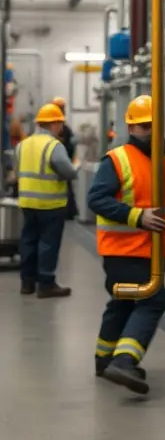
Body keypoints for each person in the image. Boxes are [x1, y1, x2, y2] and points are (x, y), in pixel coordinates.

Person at [87, 94, 165, 395]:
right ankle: (125, 361)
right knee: (153, 300)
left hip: (148, 250)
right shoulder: (117, 160)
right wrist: (138, 217)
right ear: (130, 127)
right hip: (124, 250)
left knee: (122, 302)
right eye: (143, 126)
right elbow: (96, 199)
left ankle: (103, 359)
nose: (149, 131)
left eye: (154, 125)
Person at [16, 103, 78, 298]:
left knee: (28, 241)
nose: (61, 128)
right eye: (60, 123)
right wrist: (75, 168)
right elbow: (68, 171)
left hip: (27, 202)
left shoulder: (23, 145)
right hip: (51, 204)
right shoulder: (54, 146)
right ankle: (46, 284)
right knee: (48, 243)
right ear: (54, 124)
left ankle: (27, 282)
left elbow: (19, 171)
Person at [52, 97, 78, 219]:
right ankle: (69, 211)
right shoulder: (64, 129)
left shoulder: (64, 130)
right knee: (65, 185)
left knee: (65, 185)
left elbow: (70, 145)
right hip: (62, 159)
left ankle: (69, 211)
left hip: (62, 159)